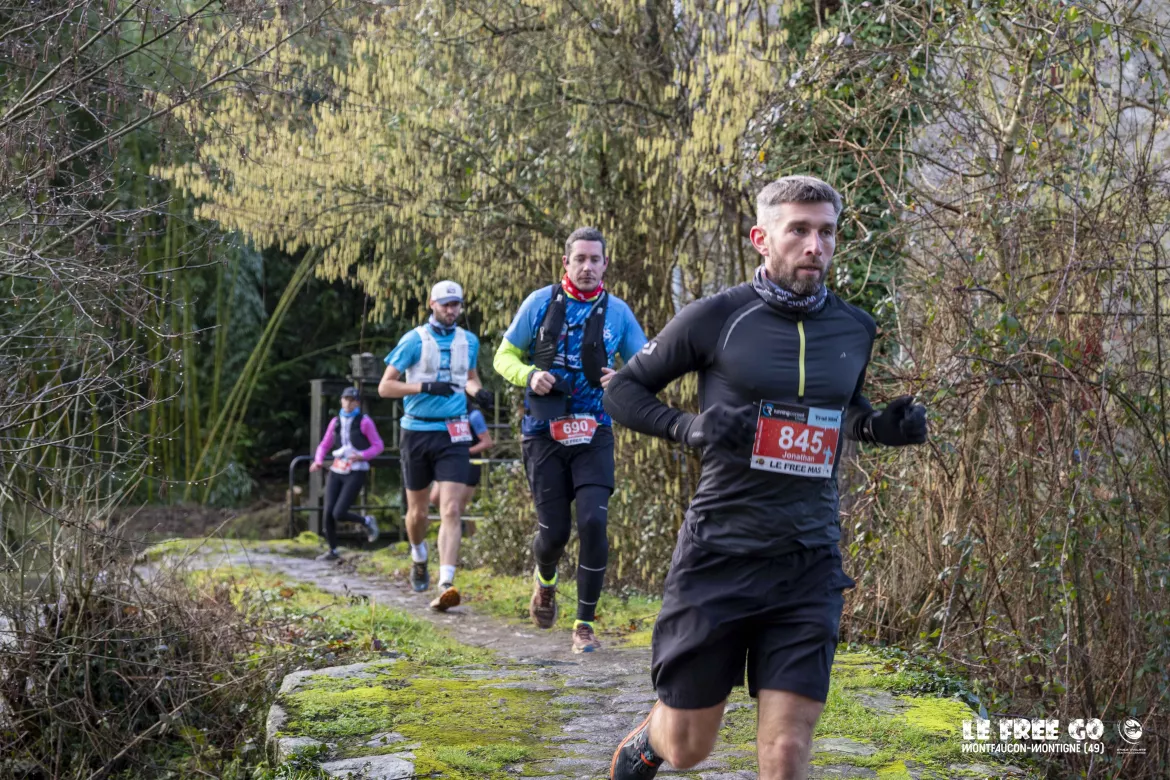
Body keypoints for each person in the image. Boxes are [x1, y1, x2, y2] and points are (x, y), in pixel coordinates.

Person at [602, 176, 928, 780]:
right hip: (720, 552)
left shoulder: (855, 327)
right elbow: (622, 391)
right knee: (689, 749)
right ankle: (650, 739)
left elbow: (845, 413)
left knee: (786, 751)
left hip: (808, 558)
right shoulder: (716, 317)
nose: (815, 245)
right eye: (798, 230)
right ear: (761, 238)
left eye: (826, 231)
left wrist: (882, 427)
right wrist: (690, 428)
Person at [494, 227, 647, 654]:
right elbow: (503, 356)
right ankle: (545, 581)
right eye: (579, 259)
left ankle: (584, 624)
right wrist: (529, 375)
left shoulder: (617, 312)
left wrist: (627, 377)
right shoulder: (539, 303)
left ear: (605, 264)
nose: (587, 267)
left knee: (594, 523)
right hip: (544, 432)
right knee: (554, 532)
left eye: (595, 259)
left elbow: (648, 361)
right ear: (566, 262)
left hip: (594, 431)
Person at [379, 280, 494, 611]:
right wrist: (425, 387)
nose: (451, 310)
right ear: (432, 304)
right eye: (445, 304)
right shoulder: (414, 340)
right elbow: (385, 388)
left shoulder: (468, 341)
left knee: (452, 508)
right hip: (417, 431)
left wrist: (478, 393)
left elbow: (469, 377)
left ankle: (446, 582)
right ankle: (419, 555)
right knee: (417, 511)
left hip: (454, 431)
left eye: (456, 304)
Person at [309, 386, 385, 561]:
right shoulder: (335, 422)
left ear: (357, 403)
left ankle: (367, 521)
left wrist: (362, 455)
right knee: (328, 512)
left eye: (352, 400)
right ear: (341, 401)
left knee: (339, 512)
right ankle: (333, 550)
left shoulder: (364, 422)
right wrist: (318, 460)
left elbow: (378, 445)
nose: (349, 403)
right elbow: (325, 444)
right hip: (337, 468)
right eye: (346, 399)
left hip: (356, 470)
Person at [428, 402, 495, 536]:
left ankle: (470, 538)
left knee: (458, 507)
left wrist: (465, 452)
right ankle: (458, 530)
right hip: (450, 462)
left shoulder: (474, 415)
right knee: (435, 498)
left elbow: (487, 442)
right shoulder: (447, 413)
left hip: (470, 464)